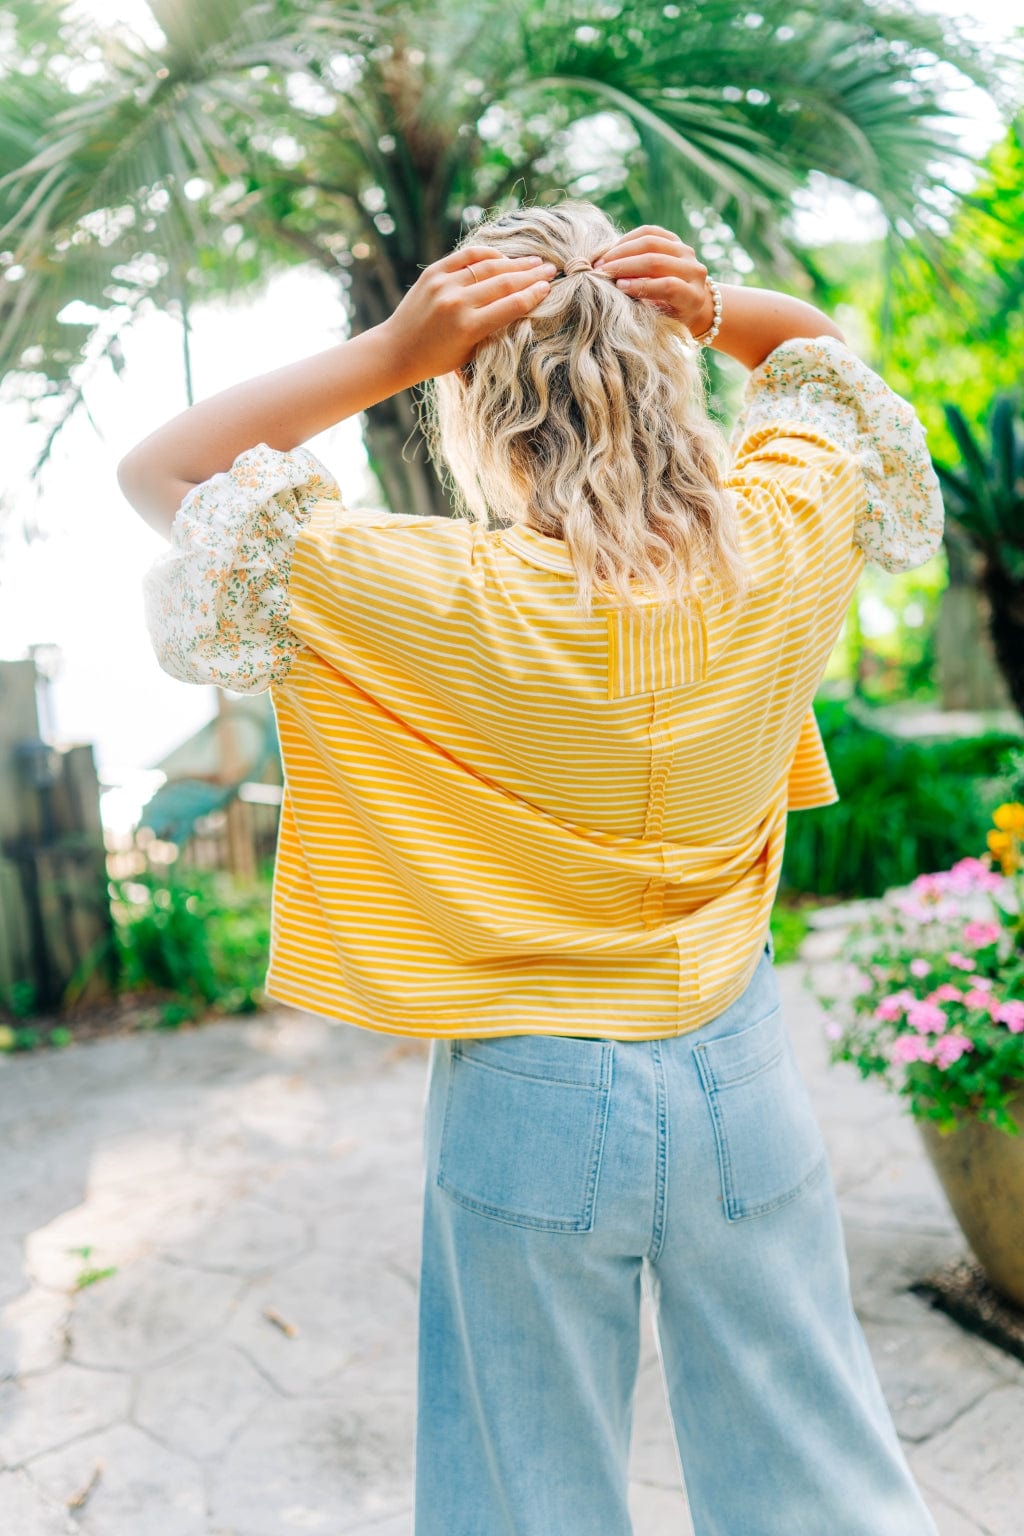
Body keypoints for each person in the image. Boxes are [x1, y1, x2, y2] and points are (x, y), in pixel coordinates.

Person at [121, 200, 945, 1536]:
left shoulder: (427, 591)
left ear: (481, 418)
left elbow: (165, 470)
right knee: (820, 1476)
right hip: (739, 1077)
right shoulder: (784, 537)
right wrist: (717, 308)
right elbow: (827, 373)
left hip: (531, 1096)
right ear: (664, 371)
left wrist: (391, 351)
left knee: (522, 1501)